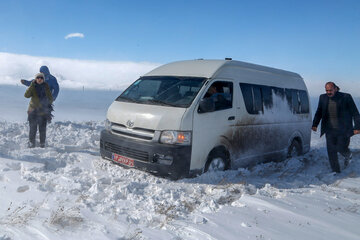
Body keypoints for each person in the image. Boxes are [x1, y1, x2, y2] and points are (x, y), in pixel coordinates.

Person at [312, 82, 360, 173]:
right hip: (329, 130)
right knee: (331, 152)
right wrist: (315, 124)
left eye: (330, 90)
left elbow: (355, 113)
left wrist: (357, 127)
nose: (328, 92)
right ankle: (335, 171)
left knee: (341, 148)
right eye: (326, 90)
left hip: (343, 130)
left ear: (335, 89)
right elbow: (319, 112)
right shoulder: (322, 98)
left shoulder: (346, 97)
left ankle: (347, 154)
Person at [25, 73, 54, 148]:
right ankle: (31, 144)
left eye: (41, 78)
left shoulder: (46, 87)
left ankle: (42, 144)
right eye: (38, 78)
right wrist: (31, 85)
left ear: (43, 79)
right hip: (33, 111)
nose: (39, 79)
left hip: (43, 112)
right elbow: (26, 95)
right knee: (32, 129)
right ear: (35, 79)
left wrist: (45, 104)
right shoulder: (33, 86)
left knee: (42, 130)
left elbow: (50, 98)